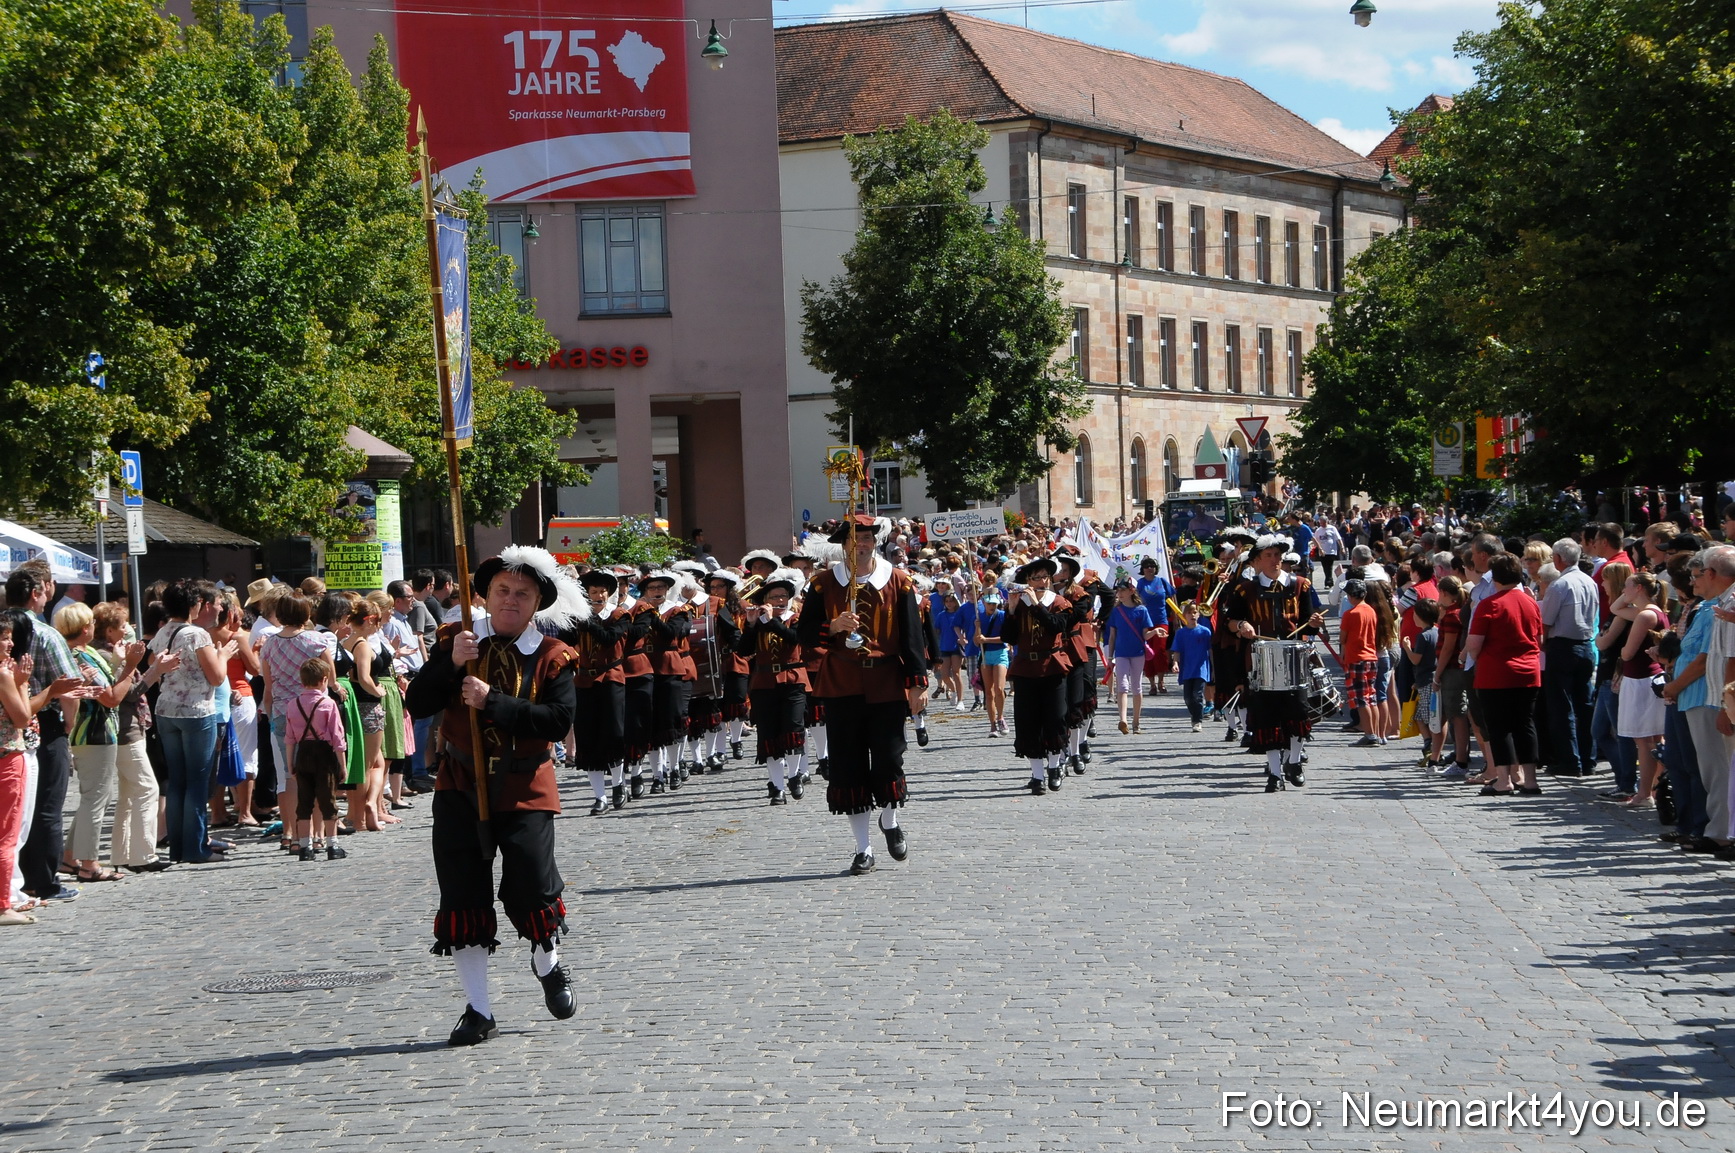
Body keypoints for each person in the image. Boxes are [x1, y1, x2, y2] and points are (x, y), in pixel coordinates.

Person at [405, 546, 583, 1047]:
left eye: (521, 594)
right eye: (501, 591)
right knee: (463, 894)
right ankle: (478, 1009)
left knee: (530, 884)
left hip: (526, 786)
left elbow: (557, 721)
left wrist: (494, 703)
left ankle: (547, 960)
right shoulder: (455, 640)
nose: (510, 600)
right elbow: (417, 702)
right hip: (460, 785)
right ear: (485, 595)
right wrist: (448, 664)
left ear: (535, 603)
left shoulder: (552, 656)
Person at [795, 514, 927, 874]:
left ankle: (889, 818)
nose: (863, 544)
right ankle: (863, 847)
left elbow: (913, 636)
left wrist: (917, 682)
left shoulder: (898, 581)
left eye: (868, 538)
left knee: (888, 760)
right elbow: (804, 634)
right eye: (856, 539)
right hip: (842, 685)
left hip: (886, 682)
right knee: (849, 767)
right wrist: (832, 626)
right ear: (844, 545)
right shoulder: (823, 585)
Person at [7, 563, 90, 905]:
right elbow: (70, 688)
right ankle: (43, 880)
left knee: (18, 809)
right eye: (46, 586)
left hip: (10, 727)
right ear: (36, 593)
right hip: (43, 723)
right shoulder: (45, 633)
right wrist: (69, 727)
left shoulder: (4, 628)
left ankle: (19, 878)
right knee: (47, 807)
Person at [1218, 534, 1324, 791]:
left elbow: (1310, 620)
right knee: (1268, 720)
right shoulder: (1245, 589)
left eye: (1278, 555)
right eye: (1269, 556)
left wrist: (1314, 623)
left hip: (1294, 660)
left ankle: (1295, 761)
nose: (1275, 560)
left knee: (1298, 715)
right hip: (1259, 660)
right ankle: (1275, 774)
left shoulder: (1301, 585)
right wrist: (1241, 625)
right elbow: (1229, 621)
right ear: (1256, 562)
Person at [148, 580, 235, 864]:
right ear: (192, 604)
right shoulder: (197, 634)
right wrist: (222, 655)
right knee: (197, 782)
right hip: (197, 711)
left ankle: (178, 847)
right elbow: (217, 677)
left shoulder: (163, 631)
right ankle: (197, 847)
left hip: (166, 710)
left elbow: (153, 665)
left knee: (176, 782)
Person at [56, 602, 144, 884]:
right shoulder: (80, 657)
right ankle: (89, 864)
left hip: (95, 733)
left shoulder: (86, 652)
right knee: (96, 800)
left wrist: (120, 664)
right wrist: (130, 666)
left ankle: (70, 857)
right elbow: (112, 697)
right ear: (85, 628)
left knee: (90, 798)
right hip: (94, 734)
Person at [1464, 554, 1545, 796]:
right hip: (1528, 671)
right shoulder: (1531, 603)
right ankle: (1530, 780)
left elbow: (1474, 643)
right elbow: (1540, 640)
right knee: (1525, 724)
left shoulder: (1489, 604)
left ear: (1495, 577)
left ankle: (1504, 780)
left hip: (1496, 672)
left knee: (1499, 727)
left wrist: (1477, 656)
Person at [738, 568, 810, 803]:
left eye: (782, 596)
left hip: (793, 680)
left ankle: (794, 776)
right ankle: (777, 787)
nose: (779, 600)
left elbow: (796, 638)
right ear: (765, 601)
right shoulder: (758, 621)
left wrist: (771, 621)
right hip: (764, 682)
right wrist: (750, 625)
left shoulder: (797, 617)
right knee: (768, 735)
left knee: (793, 729)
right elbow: (744, 651)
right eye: (774, 597)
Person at [1003, 557, 1074, 795]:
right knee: (1028, 721)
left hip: (1052, 665)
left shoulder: (1059, 602)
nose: (1041, 581)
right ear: (1027, 581)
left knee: (1055, 719)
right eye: (1036, 578)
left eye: (1045, 577)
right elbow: (1009, 637)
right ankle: (1037, 775)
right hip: (1025, 668)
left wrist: (1036, 605)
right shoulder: (1020, 603)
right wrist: (1011, 610)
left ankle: (1054, 767)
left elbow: (1056, 626)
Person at [566, 571, 629, 814]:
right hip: (584, 680)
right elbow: (566, 641)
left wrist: (588, 620)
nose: (598, 596)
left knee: (613, 732)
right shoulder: (578, 618)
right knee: (588, 736)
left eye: (602, 592)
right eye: (593, 592)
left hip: (611, 678)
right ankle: (599, 796)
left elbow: (609, 638)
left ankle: (618, 783)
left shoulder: (620, 615)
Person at [1538, 538, 1599, 777]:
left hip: (1563, 647)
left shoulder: (1559, 585)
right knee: (1584, 705)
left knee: (1562, 707)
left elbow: (1546, 621)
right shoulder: (1589, 581)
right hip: (1585, 645)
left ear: (1559, 559)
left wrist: (1543, 643)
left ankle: (1569, 761)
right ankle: (1587, 759)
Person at [1609, 571, 1669, 809]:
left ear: (1640, 589)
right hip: (1645, 679)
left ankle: (1645, 793)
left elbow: (1627, 653)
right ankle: (1653, 789)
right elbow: (1615, 608)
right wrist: (1626, 596)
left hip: (1641, 680)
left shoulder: (1645, 615)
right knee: (1652, 738)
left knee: (1644, 740)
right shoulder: (1653, 611)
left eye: (1628, 586)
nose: (1624, 591)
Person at [282, 657, 347, 861]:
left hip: (303, 753)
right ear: (324, 679)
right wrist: (342, 765)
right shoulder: (328, 703)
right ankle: (332, 846)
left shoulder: (293, 704)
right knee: (328, 799)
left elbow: (290, 738)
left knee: (304, 801)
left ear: (302, 681)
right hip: (324, 754)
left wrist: (291, 763)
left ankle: (304, 847)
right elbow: (337, 737)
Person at [0, 615, 37, 925]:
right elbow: (23, 718)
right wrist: (22, 684)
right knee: (7, 834)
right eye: (4, 638)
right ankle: (3, 904)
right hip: (7, 757)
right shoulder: (3, 674)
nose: (10, 644)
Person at [1103, 580, 1157, 736]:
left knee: (1137, 687)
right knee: (1122, 685)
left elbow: (1145, 634)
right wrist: (1110, 656)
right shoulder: (1116, 611)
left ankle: (1136, 721)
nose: (1119, 593)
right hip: (1121, 653)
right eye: (1118, 591)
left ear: (1131, 591)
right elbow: (1112, 636)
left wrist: (1155, 632)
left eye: (1122, 590)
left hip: (1138, 652)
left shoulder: (1141, 611)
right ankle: (1123, 719)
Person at [1340, 580, 1381, 747]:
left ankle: (1369, 734)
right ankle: (1375, 732)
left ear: (1350, 595)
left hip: (1356, 658)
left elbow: (1343, 638)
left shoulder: (1351, 614)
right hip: (1371, 657)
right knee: (1371, 697)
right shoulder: (1371, 611)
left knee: (1361, 699)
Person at [1169, 602, 1213, 731]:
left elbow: (1211, 651)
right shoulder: (1181, 633)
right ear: (1184, 615)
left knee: (1197, 694)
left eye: (1194, 612)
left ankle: (1197, 720)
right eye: (1189, 612)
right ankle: (1194, 714)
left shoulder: (1205, 632)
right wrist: (1175, 663)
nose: (1192, 615)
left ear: (1198, 614)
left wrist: (1214, 668)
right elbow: (1177, 651)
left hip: (1201, 669)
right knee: (1188, 698)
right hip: (1187, 669)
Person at [974, 591, 1009, 736]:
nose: (992, 606)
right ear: (984, 603)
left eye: (994, 603)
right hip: (985, 655)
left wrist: (986, 640)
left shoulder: (1002, 615)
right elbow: (976, 642)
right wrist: (977, 628)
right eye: (989, 603)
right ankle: (992, 724)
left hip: (1000, 653)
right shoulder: (979, 617)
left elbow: (1006, 637)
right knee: (988, 692)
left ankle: (1001, 717)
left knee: (999, 689)